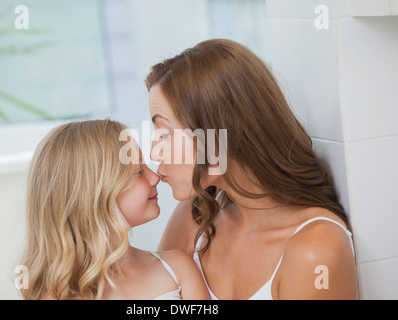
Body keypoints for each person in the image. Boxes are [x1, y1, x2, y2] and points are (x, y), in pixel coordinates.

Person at [145, 39, 358, 299]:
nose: (155, 153)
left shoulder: (316, 250)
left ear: (217, 135)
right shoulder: (194, 219)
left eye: (165, 135)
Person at [18, 119, 209, 300]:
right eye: (139, 172)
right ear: (94, 195)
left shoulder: (178, 269)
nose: (155, 177)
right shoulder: (57, 295)